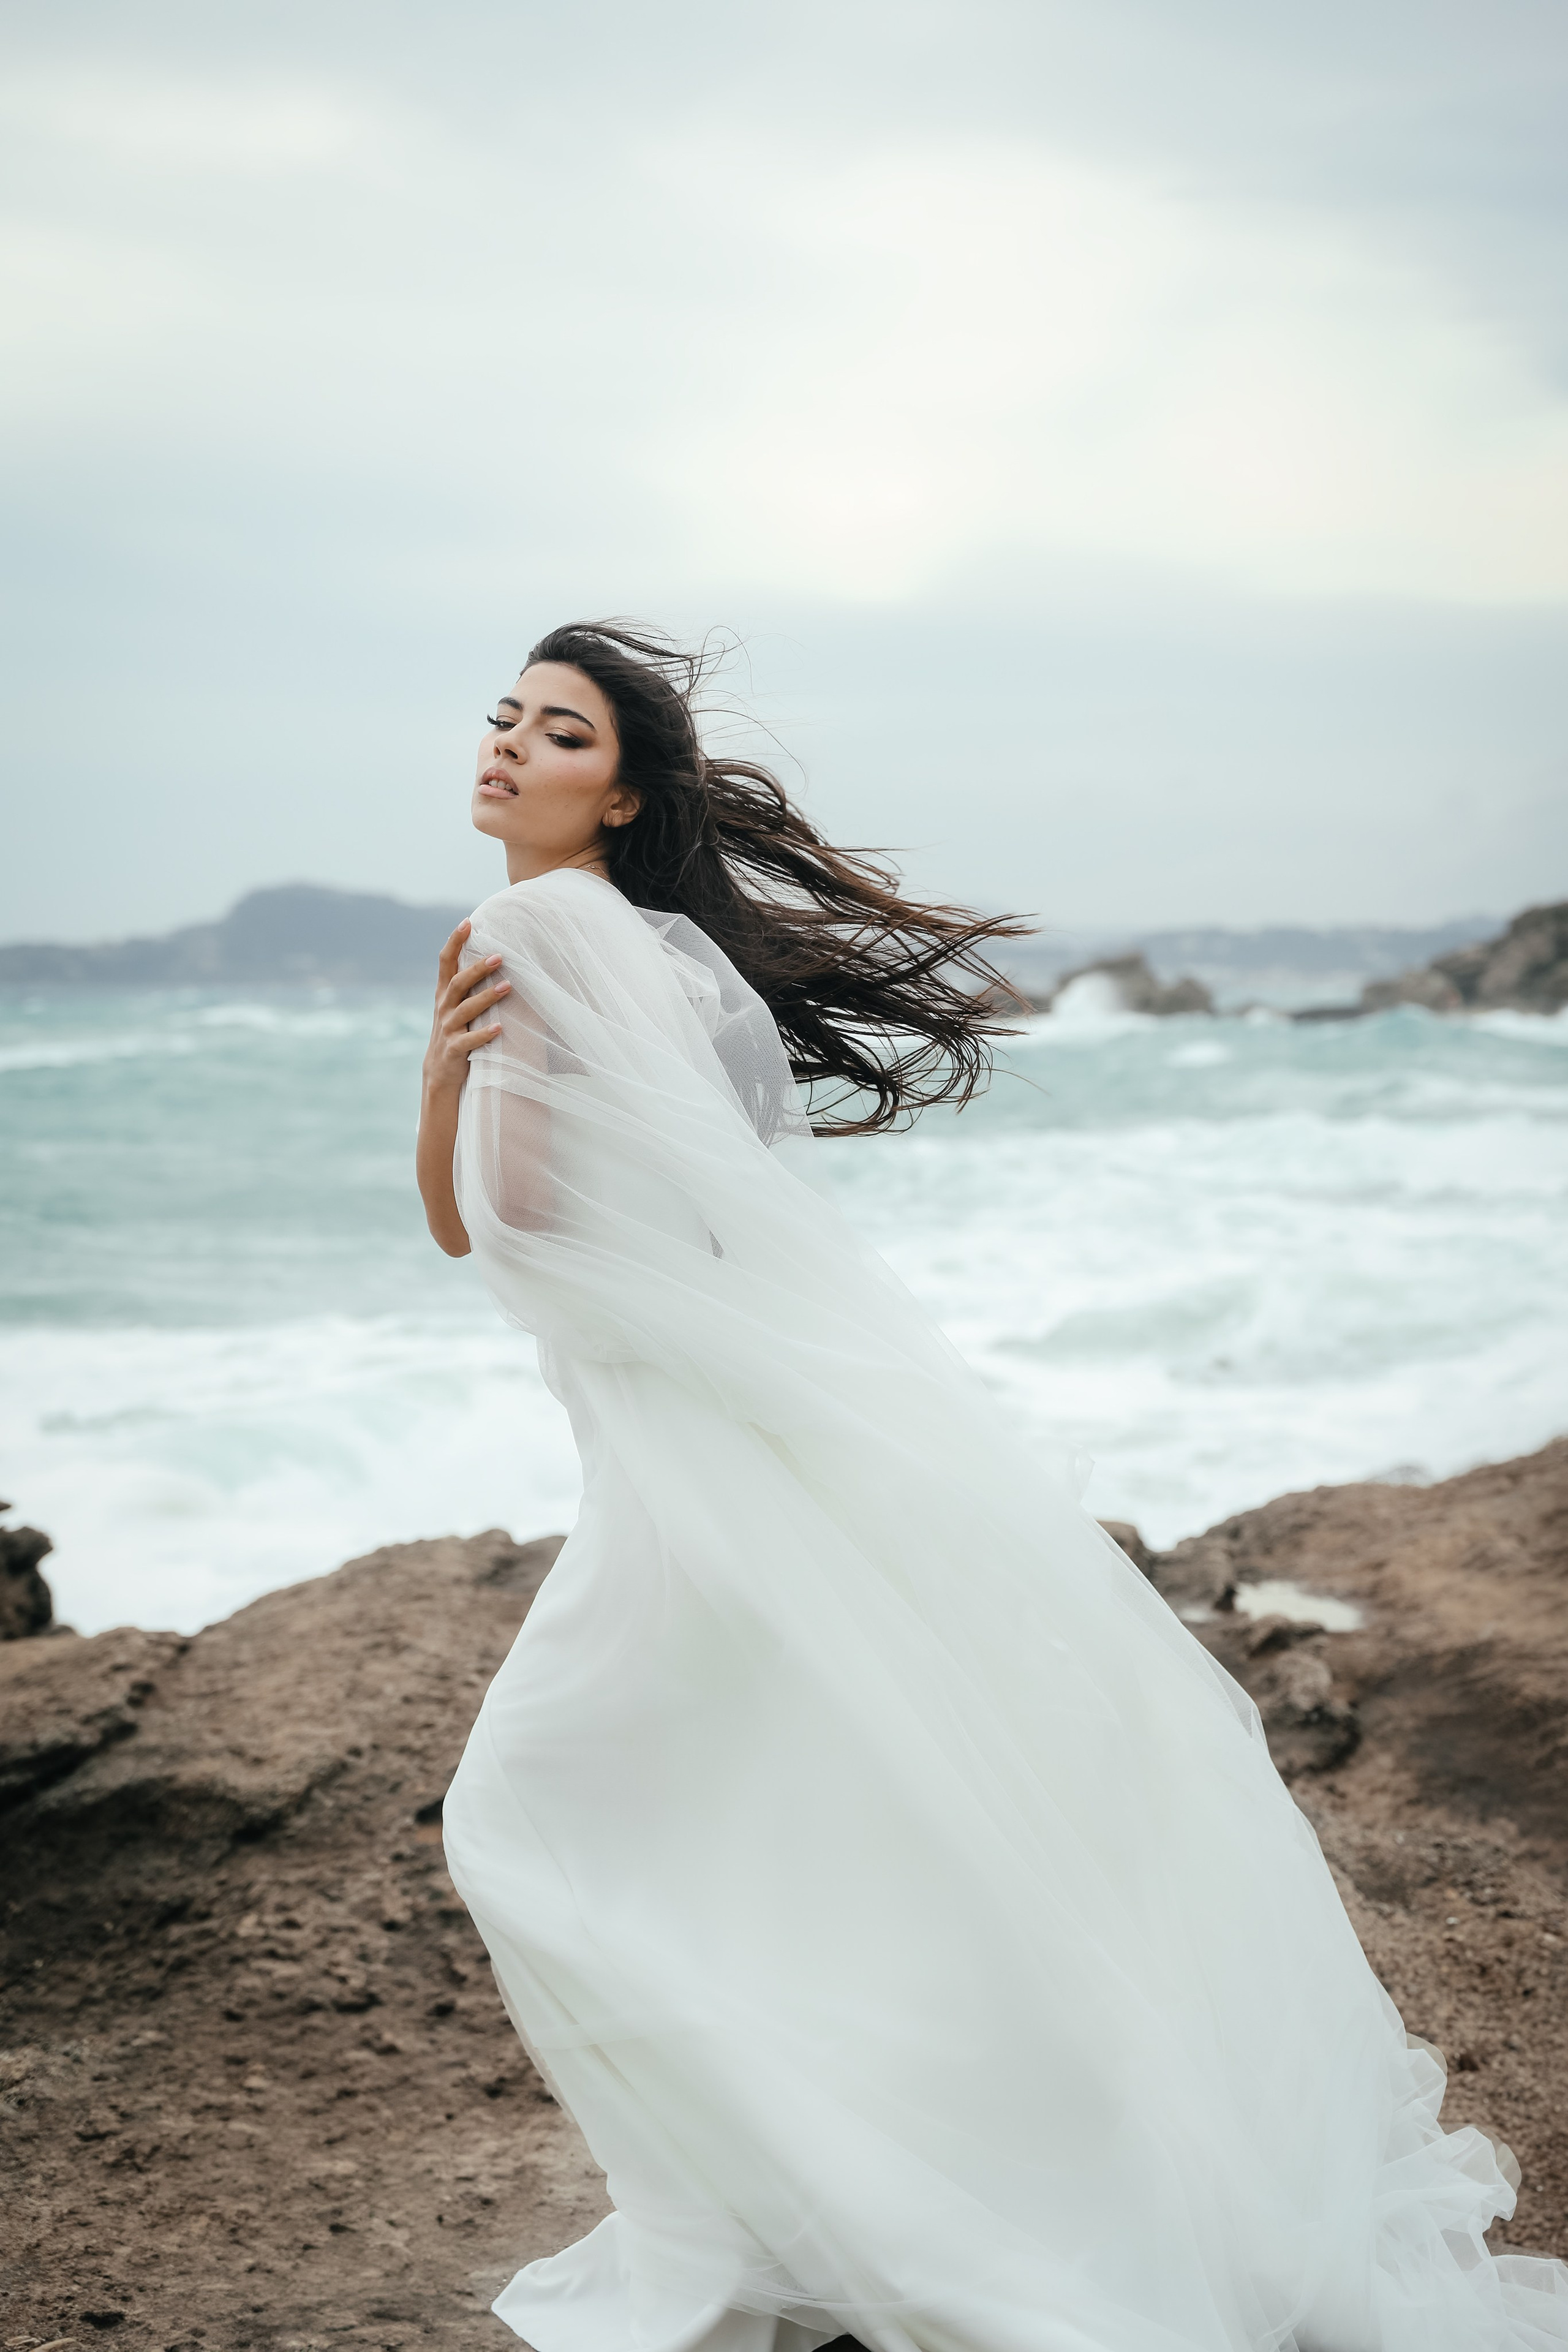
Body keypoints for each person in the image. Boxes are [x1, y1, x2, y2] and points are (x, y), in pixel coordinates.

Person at [418, 623, 1566, 2352]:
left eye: (555, 729)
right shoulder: (652, 947)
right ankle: (906, 2193)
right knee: (827, 1809)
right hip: (714, 1439)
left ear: (623, 790)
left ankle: (843, 2213)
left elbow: (509, 1224)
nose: (508, 743)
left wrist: (467, 1092)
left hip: (675, 1455)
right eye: (504, 715)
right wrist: (450, 1071)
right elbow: (648, 1215)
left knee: (553, 1815)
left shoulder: (529, 924)